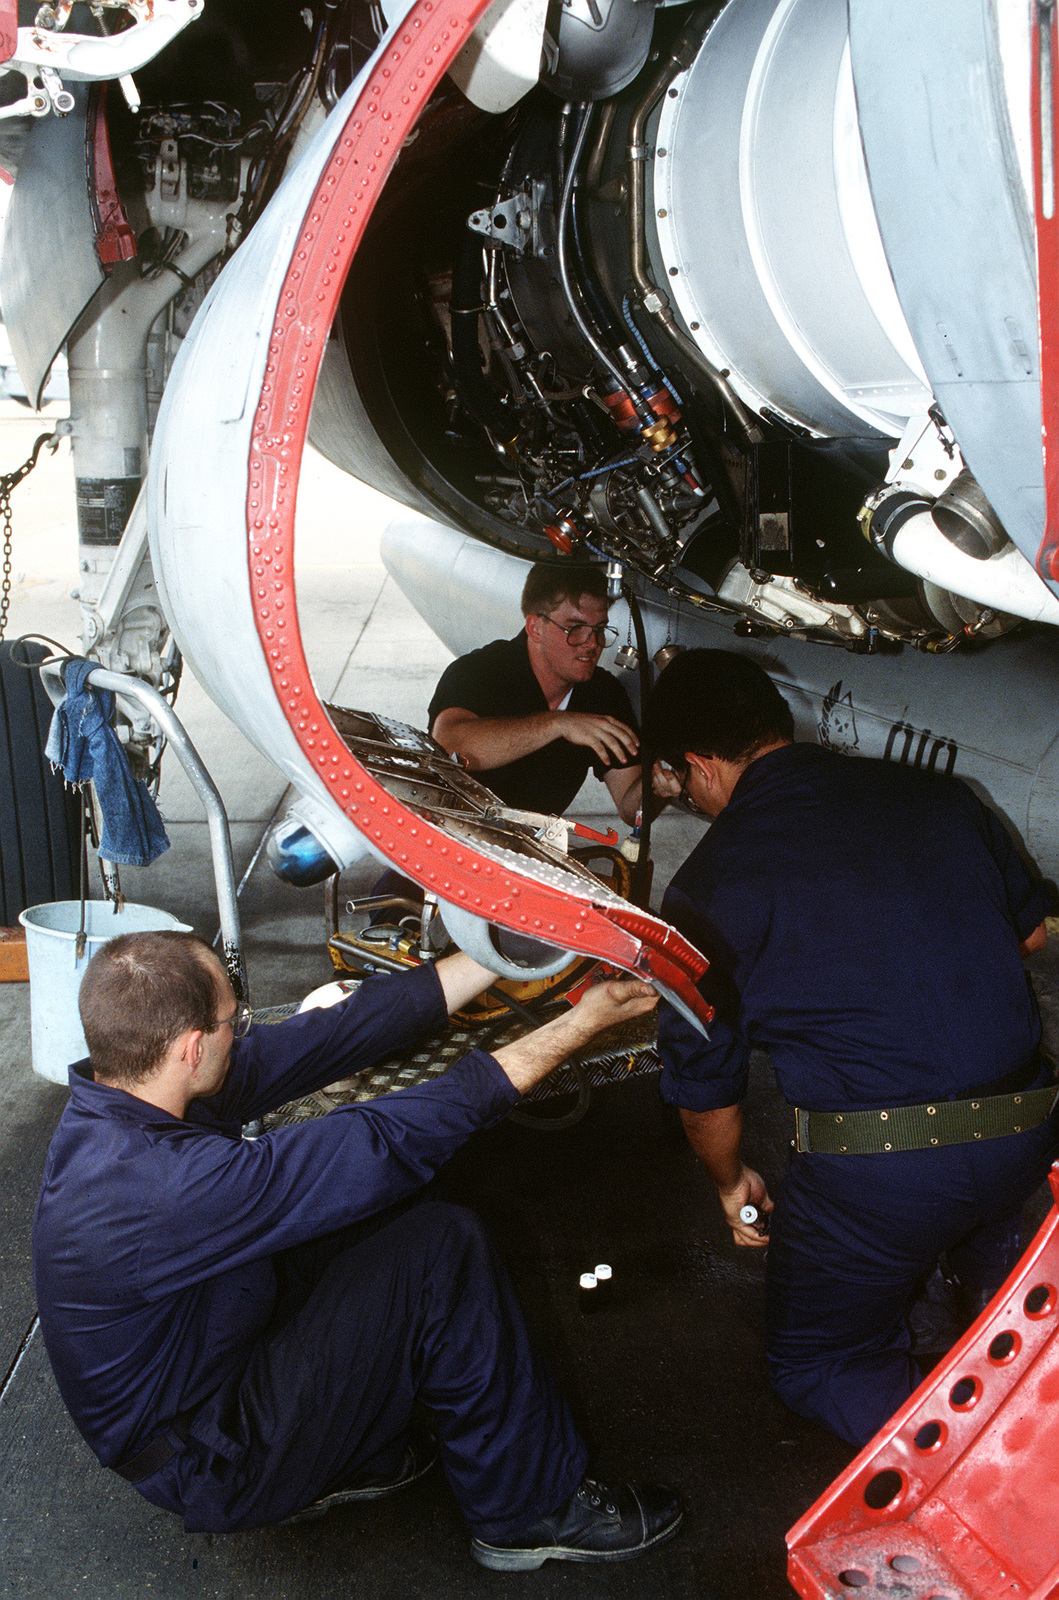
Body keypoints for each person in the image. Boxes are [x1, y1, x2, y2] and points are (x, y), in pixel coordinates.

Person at [32, 931, 682, 1570]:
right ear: (192, 1047)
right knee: (436, 1248)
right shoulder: (160, 1188)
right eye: (236, 1021)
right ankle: (526, 1510)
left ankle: (355, 1446)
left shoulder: (126, 1094)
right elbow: (378, 1141)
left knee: (386, 1213)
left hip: (210, 1358)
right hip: (213, 1458)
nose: (244, 1032)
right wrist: (580, 1024)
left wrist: (507, 949)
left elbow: (333, 1035)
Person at [644, 648, 1058, 1448]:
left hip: (881, 1176)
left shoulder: (707, 882)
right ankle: (977, 1308)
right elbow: (1030, 934)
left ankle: (1010, 1471)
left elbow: (707, 1090)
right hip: (1027, 1126)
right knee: (994, 1286)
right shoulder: (938, 795)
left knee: (818, 1361)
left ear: (696, 765)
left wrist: (730, 1184)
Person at [428, 562, 643, 823]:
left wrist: (657, 788)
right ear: (535, 628)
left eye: (599, 629)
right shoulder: (480, 671)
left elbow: (631, 808)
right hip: (447, 830)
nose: (593, 644)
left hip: (525, 847)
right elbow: (450, 745)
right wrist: (558, 724)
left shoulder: (603, 693)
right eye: (575, 628)